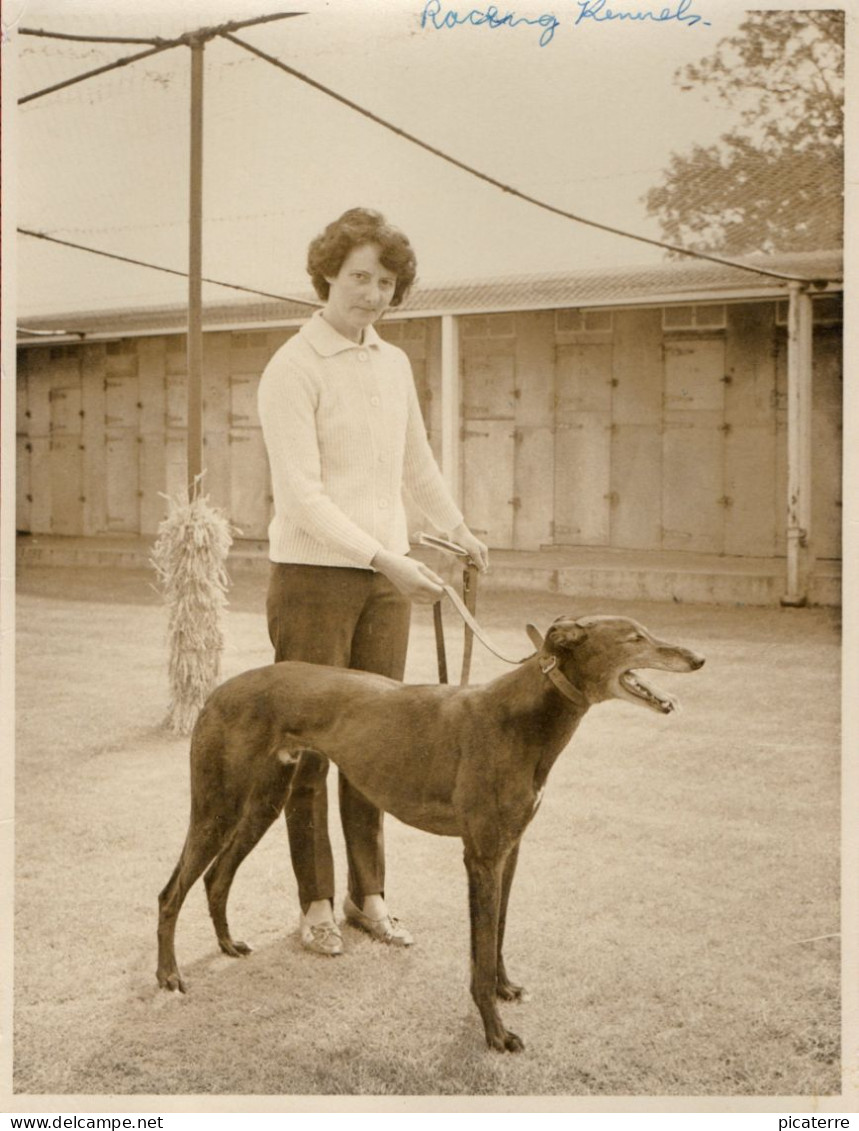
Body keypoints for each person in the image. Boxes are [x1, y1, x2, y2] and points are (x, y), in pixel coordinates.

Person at [258, 207, 488, 957]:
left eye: (386, 282)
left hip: (385, 582)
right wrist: (384, 557)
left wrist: (455, 529)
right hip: (314, 578)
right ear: (327, 274)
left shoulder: (392, 363)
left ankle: (370, 895)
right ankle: (316, 902)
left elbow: (414, 461)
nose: (372, 293)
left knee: (380, 745)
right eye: (359, 277)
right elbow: (302, 497)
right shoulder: (291, 367)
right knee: (310, 747)